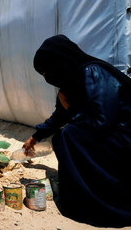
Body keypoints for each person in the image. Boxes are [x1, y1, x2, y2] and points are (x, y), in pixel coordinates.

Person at [23, 35, 131, 227]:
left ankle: (103, 201)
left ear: (60, 61)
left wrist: (71, 110)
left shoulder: (93, 72)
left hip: (125, 136)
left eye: (47, 71)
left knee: (70, 135)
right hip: (112, 136)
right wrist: (35, 137)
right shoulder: (70, 83)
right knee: (61, 138)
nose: (47, 77)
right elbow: (58, 117)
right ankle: (83, 193)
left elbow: (103, 121)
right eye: (43, 74)